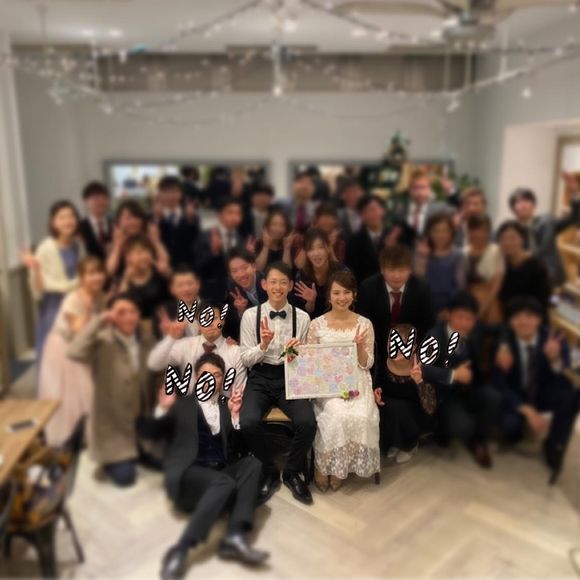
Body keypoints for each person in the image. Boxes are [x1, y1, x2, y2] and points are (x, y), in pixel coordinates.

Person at [139, 353, 268, 579]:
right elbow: (150, 434)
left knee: (252, 464)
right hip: (189, 477)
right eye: (206, 374)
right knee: (224, 482)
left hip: (219, 477)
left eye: (217, 375)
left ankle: (234, 536)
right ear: (197, 378)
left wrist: (235, 416)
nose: (211, 379)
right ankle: (181, 550)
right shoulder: (183, 404)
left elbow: (236, 449)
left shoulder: (225, 406)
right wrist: (162, 410)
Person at [239, 261, 315, 505]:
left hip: (289, 376)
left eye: (283, 282)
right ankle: (269, 471)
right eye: (273, 282)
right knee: (247, 422)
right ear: (264, 284)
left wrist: (297, 353)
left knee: (307, 423)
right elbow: (245, 359)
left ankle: (291, 472)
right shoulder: (250, 316)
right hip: (260, 376)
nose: (278, 287)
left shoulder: (302, 318)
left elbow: (307, 360)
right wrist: (263, 345)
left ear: (291, 285)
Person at [68, 294, 156, 487]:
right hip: (113, 423)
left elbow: (157, 370)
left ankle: (138, 449)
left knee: (160, 462)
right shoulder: (102, 340)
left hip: (140, 416)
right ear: (112, 315)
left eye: (133, 311)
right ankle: (113, 458)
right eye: (121, 312)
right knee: (126, 479)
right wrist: (99, 320)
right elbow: (74, 352)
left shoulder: (145, 339)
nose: (128, 317)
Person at [306, 271, 379, 491]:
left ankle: (339, 468)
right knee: (337, 415)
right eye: (336, 293)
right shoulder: (316, 324)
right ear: (328, 295)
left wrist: (359, 347)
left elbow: (367, 364)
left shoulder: (365, 324)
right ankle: (322, 467)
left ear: (354, 294)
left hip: (357, 380)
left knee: (361, 417)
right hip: (327, 382)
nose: (341, 297)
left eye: (346, 292)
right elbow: (310, 361)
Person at [493, 297, 580, 474]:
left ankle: (554, 443)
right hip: (518, 393)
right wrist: (528, 411)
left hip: (543, 392)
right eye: (517, 316)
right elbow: (501, 384)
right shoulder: (504, 344)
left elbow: (564, 374)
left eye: (529, 316)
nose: (523, 321)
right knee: (509, 426)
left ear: (539, 319)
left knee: (570, 396)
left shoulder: (553, 339)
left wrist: (554, 359)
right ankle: (519, 427)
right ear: (511, 321)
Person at [423, 292, 502, 468]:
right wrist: (453, 375)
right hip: (446, 396)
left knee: (493, 397)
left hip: (470, 388)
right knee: (462, 426)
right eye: (460, 317)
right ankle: (445, 431)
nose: (465, 323)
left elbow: (503, 328)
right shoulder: (435, 335)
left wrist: (503, 345)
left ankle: (478, 440)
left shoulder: (476, 329)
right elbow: (422, 368)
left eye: (470, 319)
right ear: (449, 314)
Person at [39, 256, 107, 445]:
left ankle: (87, 435)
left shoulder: (99, 295)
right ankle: (67, 437)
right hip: (63, 348)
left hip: (82, 348)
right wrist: (87, 309)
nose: (96, 277)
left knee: (86, 391)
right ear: (82, 277)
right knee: (71, 394)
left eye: (99, 272)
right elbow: (79, 330)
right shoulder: (73, 298)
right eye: (91, 273)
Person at [357, 244, 435, 396]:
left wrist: (415, 354)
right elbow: (364, 325)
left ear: (410, 270)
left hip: (411, 350)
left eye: (401, 270)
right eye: (391, 270)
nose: (397, 276)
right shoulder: (368, 287)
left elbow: (428, 326)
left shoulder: (422, 288)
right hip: (377, 348)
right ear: (382, 269)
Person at [22, 200, 86, 366]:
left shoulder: (79, 246)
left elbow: (84, 277)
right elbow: (38, 289)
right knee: (54, 363)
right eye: (61, 217)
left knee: (77, 361)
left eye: (71, 216)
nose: (68, 221)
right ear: (53, 222)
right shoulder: (46, 248)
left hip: (77, 307)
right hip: (53, 309)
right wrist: (36, 270)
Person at [147, 300, 246, 395]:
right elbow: (153, 364)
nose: (209, 323)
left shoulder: (236, 352)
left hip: (225, 404)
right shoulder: (185, 345)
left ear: (222, 321)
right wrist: (171, 338)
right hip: (190, 404)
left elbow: (239, 391)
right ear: (198, 324)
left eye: (214, 318)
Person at [374, 324, 433, 463]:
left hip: (413, 416)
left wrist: (419, 381)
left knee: (398, 407)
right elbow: (376, 384)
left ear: (413, 347)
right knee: (387, 407)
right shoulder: (381, 361)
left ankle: (410, 445)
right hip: (390, 413)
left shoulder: (422, 365)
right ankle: (396, 442)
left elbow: (430, 407)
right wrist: (376, 392)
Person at [508, 172, 580, 286]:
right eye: (518, 202)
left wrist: (575, 193)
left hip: (551, 277)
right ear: (513, 208)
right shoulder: (510, 231)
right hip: (526, 280)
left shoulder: (547, 221)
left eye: (527, 201)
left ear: (534, 205)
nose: (523, 205)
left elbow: (574, 218)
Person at [414, 213, 466, 317]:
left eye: (444, 231)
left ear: (451, 233)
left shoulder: (458, 255)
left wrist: (450, 308)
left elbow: (460, 287)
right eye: (436, 231)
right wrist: (422, 257)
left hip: (448, 306)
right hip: (423, 304)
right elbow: (418, 280)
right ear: (429, 232)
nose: (440, 235)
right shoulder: (423, 251)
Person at [497, 220, 551, 319]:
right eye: (503, 238)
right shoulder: (501, 264)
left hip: (531, 318)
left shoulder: (536, 266)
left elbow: (544, 300)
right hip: (508, 318)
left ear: (522, 239)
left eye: (512, 238)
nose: (507, 242)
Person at [194, 197, 245, 301]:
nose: (235, 217)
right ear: (220, 215)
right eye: (230, 213)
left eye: (238, 213)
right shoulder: (205, 237)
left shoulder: (241, 239)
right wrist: (214, 253)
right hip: (210, 295)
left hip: (235, 296)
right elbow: (197, 267)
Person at [386, 168, 452, 246]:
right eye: (415, 188)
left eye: (423, 187)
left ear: (430, 190)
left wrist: (450, 191)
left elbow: (459, 213)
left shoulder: (440, 209)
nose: (419, 192)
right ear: (409, 190)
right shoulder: (400, 211)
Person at [115, 235, 170, 327]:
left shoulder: (159, 272)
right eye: (139, 252)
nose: (144, 256)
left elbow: (176, 292)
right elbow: (120, 306)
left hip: (165, 323)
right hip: (136, 326)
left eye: (147, 251)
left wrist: (167, 273)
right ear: (128, 257)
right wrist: (125, 281)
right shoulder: (122, 279)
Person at [106, 200, 170, 277]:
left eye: (136, 217)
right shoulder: (115, 242)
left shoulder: (149, 237)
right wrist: (118, 246)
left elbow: (165, 263)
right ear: (119, 221)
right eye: (128, 218)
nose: (133, 222)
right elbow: (110, 271)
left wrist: (156, 242)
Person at [293, 229, 348, 319]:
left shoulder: (342, 273)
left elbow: (350, 304)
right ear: (306, 253)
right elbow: (302, 315)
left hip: (340, 320)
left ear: (328, 248)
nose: (316, 253)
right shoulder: (302, 276)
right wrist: (311, 302)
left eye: (321, 247)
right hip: (313, 323)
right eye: (311, 249)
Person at [463, 214, 504, 325]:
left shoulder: (496, 251)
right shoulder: (464, 252)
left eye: (483, 230)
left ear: (489, 232)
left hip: (489, 302)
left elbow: (496, 285)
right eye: (474, 229)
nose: (478, 234)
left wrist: (482, 309)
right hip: (468, 301)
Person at [154, 175, 200, 269]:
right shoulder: (152, 217)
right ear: (160, 194)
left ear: (181, 193)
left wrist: (190, 220)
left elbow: (195, 243)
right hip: (161, 267)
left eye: (174, 191)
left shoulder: (192, 216)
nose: (170, 195)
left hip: (186, 267)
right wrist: (158, 220)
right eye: (166, 191)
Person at [344, 195, 387, 284]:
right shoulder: (353, 241)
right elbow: (351, 272)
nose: (372, 214)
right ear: (362, 216)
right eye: (367, 211)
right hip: (364, 289)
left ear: (383, 210)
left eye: (374, 209)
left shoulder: (395, 236)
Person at [295, 203, 346, 268]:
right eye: (326, 217)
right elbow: (299, 265)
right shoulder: (303, 239)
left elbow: (338, 268)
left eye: (332, 218)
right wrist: (309, 237)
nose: (329, 221)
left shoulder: (339, 243)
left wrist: (330, 245)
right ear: (317, 219)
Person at [78, 181, 112, 260]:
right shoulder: (79, 227)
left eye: (103, 198)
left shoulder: (115, 224)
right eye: (95, 198)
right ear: (85, 201)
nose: (100, 202)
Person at [167, 266, 202, 337]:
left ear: (198, 284)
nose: (186, 289)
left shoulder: (213, 307)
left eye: (190, 283)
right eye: (180, 285)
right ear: (172, 289)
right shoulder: (167, 313)